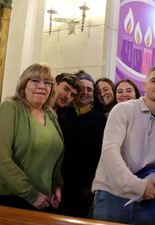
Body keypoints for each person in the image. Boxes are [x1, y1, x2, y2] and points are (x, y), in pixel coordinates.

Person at [91, 65, 155, 225]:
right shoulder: (122, 110)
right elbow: (110, 152)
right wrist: (138, 186)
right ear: (144, 85)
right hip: (113, 196)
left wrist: (147, 188)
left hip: (145, 202)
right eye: (154, 80)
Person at [0, 63, 63, 211]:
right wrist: (30, 193)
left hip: (41, 200)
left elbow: (54, 158)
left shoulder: (51, 117)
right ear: (24, 84)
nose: (42, 86)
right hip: (4, 199)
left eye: (47, 82)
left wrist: (56, 185)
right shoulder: (10, 108)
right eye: (35, 80)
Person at [0, 72, 81, 182]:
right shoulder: (14, 109)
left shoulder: (59, 120)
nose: (67, 96)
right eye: (65, 89)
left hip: (35, 189)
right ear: (54, 85)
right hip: (0, 185)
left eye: (72, 95)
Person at [57, 69, 107, 218]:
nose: (85, 92)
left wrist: (89, 182)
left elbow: (99, 153)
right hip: (58, 180)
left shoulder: (100, 119)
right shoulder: (60, 112)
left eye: (89, 89)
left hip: (83, 185)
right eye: (81, 88)